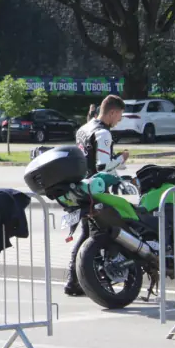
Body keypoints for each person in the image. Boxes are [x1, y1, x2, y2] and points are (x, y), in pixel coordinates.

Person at [67, 95, 129, 296]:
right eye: (119, 115)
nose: (119, 120)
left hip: (82, 187)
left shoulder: (84, 128)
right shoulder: (103, 133)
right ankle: (83, 280)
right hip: (98, 190)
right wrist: (121, 159)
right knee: (102, 235)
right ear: (112, 112)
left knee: (87, 235)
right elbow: (103, 166)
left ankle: (74, 280)